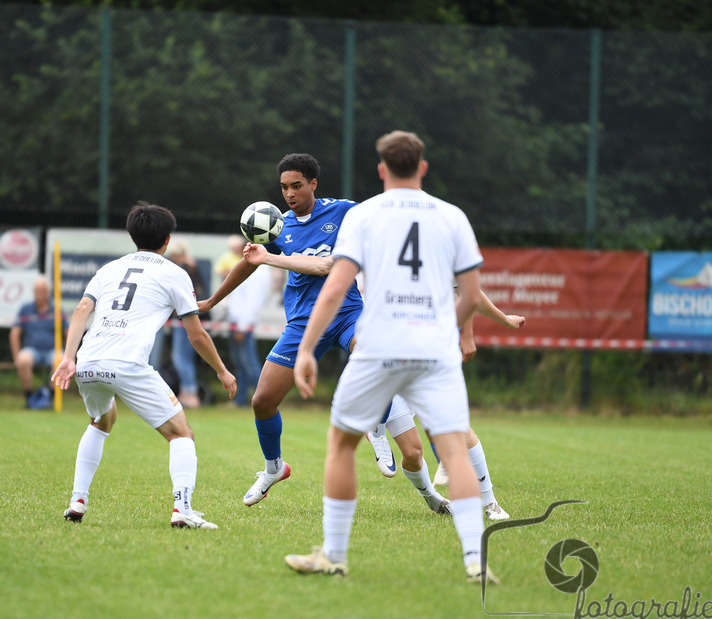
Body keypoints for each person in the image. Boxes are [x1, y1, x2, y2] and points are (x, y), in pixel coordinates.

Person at [285, 130, 497, 584]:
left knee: (341, 443)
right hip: (432, 348)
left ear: (381, 170)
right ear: (422, 168)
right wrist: (448, 331)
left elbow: (336, 286)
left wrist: (306, 349)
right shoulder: (452, 216)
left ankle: (334, 556)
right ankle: (476, 560)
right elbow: (473, 294)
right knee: (454, 450)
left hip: (378, 345)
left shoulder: (363, 215)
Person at [52, 203, 237, 529]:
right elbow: (196, 334)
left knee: (102, 419)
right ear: (167, 239)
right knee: (181, 433)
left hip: (89, 362)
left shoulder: (109, 269)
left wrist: (68, 357)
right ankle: (183, 509)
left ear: (132, 236)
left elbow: (82, 309)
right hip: (127, 364)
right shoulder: (175, 273)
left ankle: (77, 501)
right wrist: (222, 370)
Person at [198, 153, 366, 506]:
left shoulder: (345, 211)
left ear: (313, 184)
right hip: (304, 323)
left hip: (347, 311)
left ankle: (379, 425)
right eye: (284, 187)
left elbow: (371, 234)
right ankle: (273, 467)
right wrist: (212, 301)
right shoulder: (278, 226)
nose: (289, 194)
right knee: (262, 401)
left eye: (296, 186)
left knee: (369, 354)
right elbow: (249, 262)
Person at [368, 290, 525, 520]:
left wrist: (502, 320)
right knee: (412, 453)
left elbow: (470, 291)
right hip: (394, 370)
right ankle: (433, 499)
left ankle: (490, 502)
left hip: (431, 367)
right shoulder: (387, 267)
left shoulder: (438, 258)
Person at [220, 238, 273, 407]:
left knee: (249, 363)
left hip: (242, 323)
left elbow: (252, 302)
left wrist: (242, 327)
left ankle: (263, 399)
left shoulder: (259, 272)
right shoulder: (253, 268)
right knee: (241, 363)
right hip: (238, 322)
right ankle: (241, 399)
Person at [10, 275, 68, 410]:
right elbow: (14, 333)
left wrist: (70, 355)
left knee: (60, 360)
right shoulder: (25, 309)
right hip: (32, 350)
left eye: (42, 290)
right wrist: (16, 356)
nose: (40, 294)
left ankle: (49, 397)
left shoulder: (57, 310)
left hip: (52, 350)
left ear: (48, 292)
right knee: (23, 359)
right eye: (37, 290)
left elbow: (68, 332)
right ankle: (29, 397)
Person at [166, 240, 210, 409]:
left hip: (185, 319)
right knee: (187, 357)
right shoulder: (193, 267)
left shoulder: (183, 269)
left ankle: (189, 392)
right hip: (195, 317)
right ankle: (187, 391)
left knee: (180, 357)